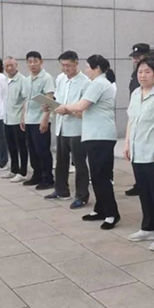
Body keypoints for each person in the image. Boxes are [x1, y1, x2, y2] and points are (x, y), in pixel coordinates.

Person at [56, 55, 120, 230]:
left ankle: (112, 214)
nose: (86, 70)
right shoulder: (98, 83)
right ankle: (100, 209)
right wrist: (71, 110)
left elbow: (81, 105)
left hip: (101, 135)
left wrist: (65, 107)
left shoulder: (99, 83)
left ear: (97, 68)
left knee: (102, 176)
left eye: (88, 67)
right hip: (94, 135)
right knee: (97, 176)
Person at [124, 57, 154, 251]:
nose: (142, 75)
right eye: (140, 72)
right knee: (144, 192)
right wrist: (127, 143)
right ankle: (148, 227)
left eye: (147, 72)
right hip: (137, 151)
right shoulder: (136, 93)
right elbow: (131, 120)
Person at [46, 50, 91, 209]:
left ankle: (82, 195)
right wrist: (50, 106)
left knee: (79, 164)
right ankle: (61, 190)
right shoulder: (60, 79)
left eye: (68, 65)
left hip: (77, 128)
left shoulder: (86, 82)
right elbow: (58, 100)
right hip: (61, 126)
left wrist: (68, 111)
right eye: (63, 65)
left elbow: (85, 109)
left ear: (76, 63)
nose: (65, 69)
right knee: (61, 161)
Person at [21, 51, 56, 190]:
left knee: (42, 151)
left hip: (40, 120)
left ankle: (48, 179)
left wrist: (45, 119)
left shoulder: (46, 78)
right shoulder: (27, 79)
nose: (32, 64)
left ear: (41, 62)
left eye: (35, 61)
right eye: (30, 62)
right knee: (32, 150)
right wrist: (23, 117)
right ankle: (37, 175)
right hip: (29, 119)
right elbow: (26, 100)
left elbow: (49, 100)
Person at [126, 43, 154, 197]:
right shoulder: (135, 76)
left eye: (138, 57)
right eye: (134, 57)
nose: (135, 60)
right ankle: (139, 184)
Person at [1, 57, 29, 182]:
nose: (9, 68)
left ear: (16, 65)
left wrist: (23, 117)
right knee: (11, 146)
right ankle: (14, 169)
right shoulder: (5, 80)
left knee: (21, 147)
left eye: (11, 65)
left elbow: (26, 100)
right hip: (7, 118)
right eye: (6, 66)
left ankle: (23, 172)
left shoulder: (22, 80)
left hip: (18, 119)